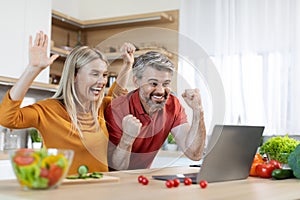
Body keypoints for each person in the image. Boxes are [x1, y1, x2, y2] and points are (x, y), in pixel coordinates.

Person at [0, 31, 135, 175]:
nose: (102, 81)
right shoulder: (49, 110)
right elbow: (7, 118)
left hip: (100, 191)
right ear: (74, 75)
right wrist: (33, 69)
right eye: (95, 74)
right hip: (62, 193)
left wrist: (127, 65)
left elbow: (118, 97)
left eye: (104, 75)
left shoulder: (101, 108)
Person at [105, 51, 206, 170]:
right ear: (136, 81)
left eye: (166, 84)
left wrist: (198, 111)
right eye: (153, 83)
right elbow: (117, 168)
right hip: (112, 182)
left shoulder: (172, 104)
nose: (161, 91)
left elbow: (195, 154)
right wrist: (127, 138)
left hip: (142, 180)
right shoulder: (117, 109)